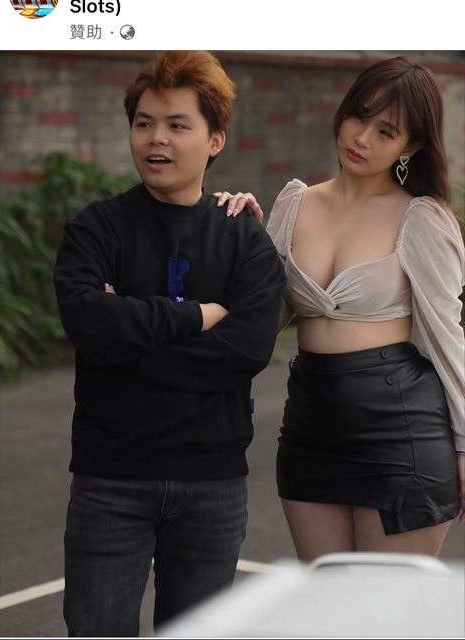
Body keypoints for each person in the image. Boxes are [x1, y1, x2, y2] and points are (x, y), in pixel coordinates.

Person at [54, 50, 286, 636]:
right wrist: (196, 316)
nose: (156, 139)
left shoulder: (244, 239)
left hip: (212, 483)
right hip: (111, 477)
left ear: (215, 141)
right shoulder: (96, 229)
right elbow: (87, 322)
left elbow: (246, 351)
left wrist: (126, 341)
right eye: (144, 123)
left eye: (178, 125)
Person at [214, 56, 465, 562]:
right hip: (311, 423)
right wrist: (236, 239)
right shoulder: (296, 202)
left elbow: (447, 336)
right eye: (359, 116)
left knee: (384, 602)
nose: (362, 138)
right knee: (326, 597)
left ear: (410, 146)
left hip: (400, 431)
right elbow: (262, 316)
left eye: (385, 131)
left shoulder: (421, 217)